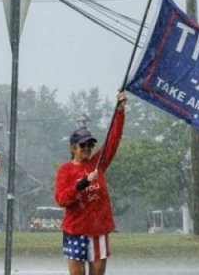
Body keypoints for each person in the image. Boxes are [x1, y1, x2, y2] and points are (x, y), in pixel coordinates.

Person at [54, 91, 127, 275]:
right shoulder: (65, 170)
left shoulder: (97, 163)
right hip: (75, 231)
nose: (87, 149)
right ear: (73, 148)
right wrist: (81, 184)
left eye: (90, 145)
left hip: (98, 231)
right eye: (83, 145)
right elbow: (61, 199)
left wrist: (119, 111)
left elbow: (112, 142)